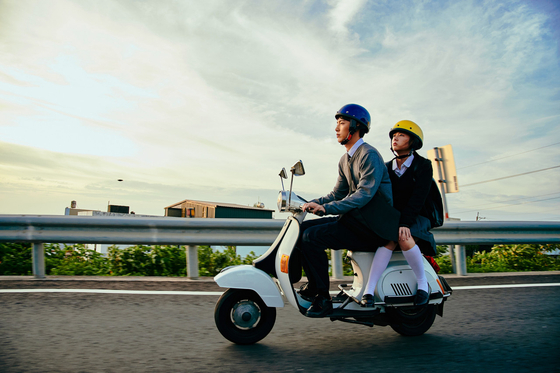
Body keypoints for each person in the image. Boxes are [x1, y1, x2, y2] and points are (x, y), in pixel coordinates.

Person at [298, 103, 395, 318]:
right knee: (302, 229)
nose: (336, 128)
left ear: (355, 127)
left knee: (312, 237)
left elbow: (364, 195)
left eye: (341, 123)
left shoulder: (369, 155)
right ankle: (314, 287)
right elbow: (336, 194)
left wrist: (326, 209)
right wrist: (308, 203)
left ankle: (323, 298)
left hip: (371, 227)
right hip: (355, 222)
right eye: (337, 124)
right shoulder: (345, 159)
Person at [361, 120, 437, 307]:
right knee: (388, 240)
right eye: (394, 135)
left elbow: (418, 199)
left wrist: (405, 223)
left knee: (403, 237)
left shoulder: (423, 165)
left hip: (418, 215)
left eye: (401, 135)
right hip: (395, 217)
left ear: (412, 141)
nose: (395, 137)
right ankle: (369, 291)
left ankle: (422, 285)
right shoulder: (386, 167)